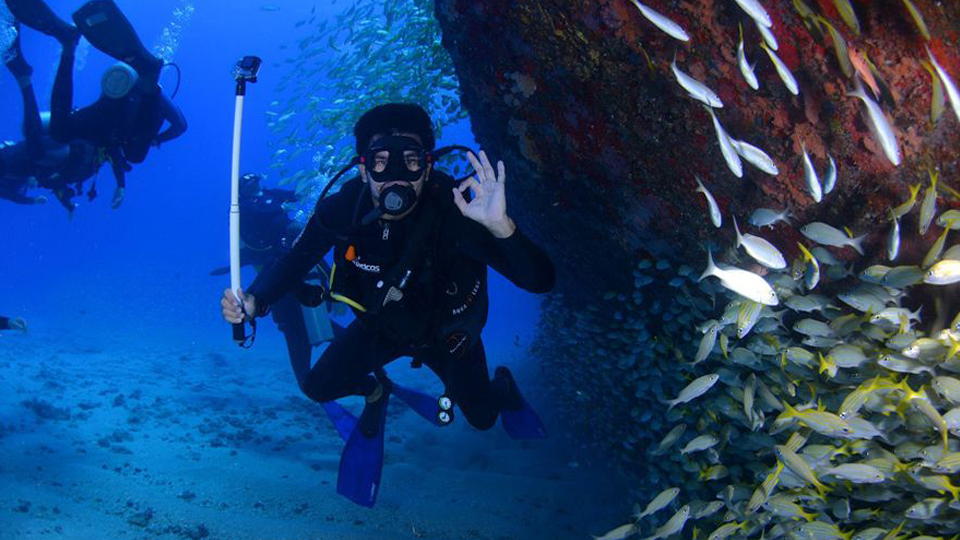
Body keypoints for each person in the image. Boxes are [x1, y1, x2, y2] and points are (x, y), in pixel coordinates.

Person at [220, 103, 555, 504]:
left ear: (428, 168)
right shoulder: (343, 208)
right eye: (381, 162)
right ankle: (376, 392)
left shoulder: (458, 210)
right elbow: (296, 261)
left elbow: (539, 281)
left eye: (411, 161)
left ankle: (501, 386)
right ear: (363, 170)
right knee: (316, 385)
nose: (396, 177)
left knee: (483, 419)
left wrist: (501, 226)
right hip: (381, 327)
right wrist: (256, 300)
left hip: (448, 335)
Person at [6, 0, 187, 208]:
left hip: (107, 125)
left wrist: (155, 140)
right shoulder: (156, 98)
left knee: (60, 132)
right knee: (134, 154)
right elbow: (180, 125)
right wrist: (157, 139)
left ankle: (68, 45)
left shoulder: (156, 97)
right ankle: (68, 43)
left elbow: (179, 125)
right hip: (110, 125)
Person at [211, 172, 341, 382]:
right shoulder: (242, 206)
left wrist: (317, 186)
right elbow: (264, 213)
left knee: (314, 319)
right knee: (292, 324)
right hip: (274, 267)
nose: (256, 186)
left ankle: (345, 369)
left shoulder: (270, 195)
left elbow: (295, 195)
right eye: (249, 184)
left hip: (297, 260)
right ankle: (310, 379)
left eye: (256, 182)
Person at [1, 23, 109, 213]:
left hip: (44, 151)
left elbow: (17, 195)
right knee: (37, 141)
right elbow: (19, 195)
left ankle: (24, 77)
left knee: (34, 136)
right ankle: (25, 79)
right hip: (50, 153)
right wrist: (58, 202)